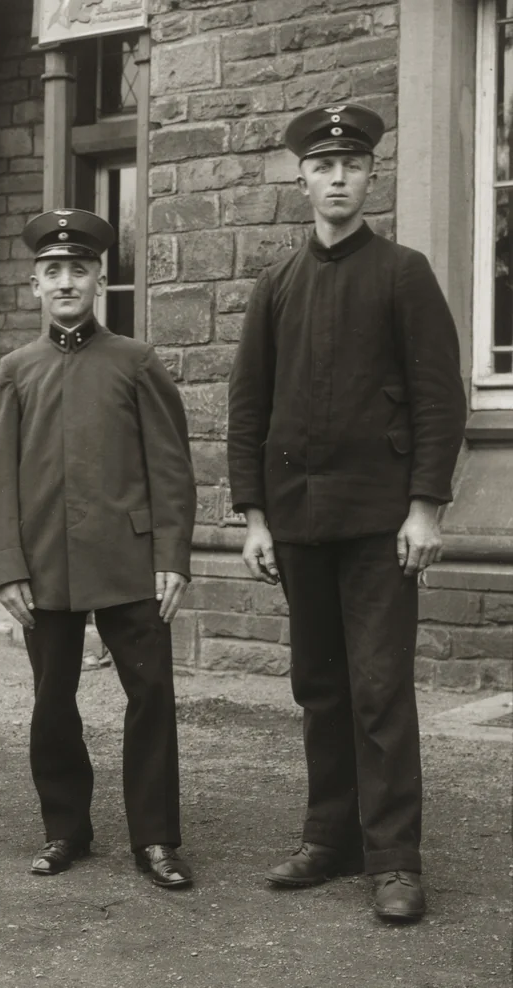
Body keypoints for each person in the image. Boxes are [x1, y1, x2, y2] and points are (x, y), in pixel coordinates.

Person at [228, 103, 467, 922]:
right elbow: (248, 411)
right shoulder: (277, 285)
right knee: (320, 687)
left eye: (352, 167)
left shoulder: (404, 274)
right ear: (302, 180)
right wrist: (255, 517)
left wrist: (426, 507)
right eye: (323, 167)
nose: (337, 178)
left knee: (379, 688)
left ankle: (395, 859)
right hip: (298, 524)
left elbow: (440, 400)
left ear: (371, 177)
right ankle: (330, 838)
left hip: (379, 523)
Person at [0, 208, 197, 888]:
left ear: (100, 279)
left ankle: (155, 838)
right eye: (52, 272)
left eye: (78, 269)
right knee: (52, 701)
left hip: (130, 565)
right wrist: (7, 569)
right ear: (34, 286)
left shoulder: (136, 362)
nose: (65, 281)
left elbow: (170, 467)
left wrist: (171, 557)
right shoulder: (16, 370)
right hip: (45, 569)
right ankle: (65, 828)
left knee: (151, 696)